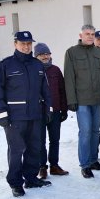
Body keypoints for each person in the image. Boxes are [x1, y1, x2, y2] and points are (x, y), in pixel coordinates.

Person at [0, 31, 52, 197]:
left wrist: (48, 109)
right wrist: (2, 114)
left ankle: (30, 178)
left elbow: (45, 90)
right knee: (16, 150)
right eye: (23, 43)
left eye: (29, 43)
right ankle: (15, 183)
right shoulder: (5, 65)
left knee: (34, 148)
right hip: (15, 117)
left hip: (35, 115)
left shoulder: (37, 65)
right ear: (15, 44)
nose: (26, 46)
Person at [64, 24, 100, 179]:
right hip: (82, 100)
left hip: (98, 99)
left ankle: (93, 160)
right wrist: (71, 100)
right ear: (81, 35)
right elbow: (69, 78)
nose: (90, 36)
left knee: (96, 132)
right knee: (85, 132)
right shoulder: (72, 52)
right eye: (87, 34)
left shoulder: (99, 52)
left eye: (92, 34)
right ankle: (85, 165)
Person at [34, 43, 69, 179]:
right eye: (42, 54)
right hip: (39, 112)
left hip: (55, 111)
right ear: (36, 56)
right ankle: (42, 167)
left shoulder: (55, 70)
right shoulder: (32, 70)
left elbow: (62, 90)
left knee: (55, 139)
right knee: (40, 140)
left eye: (47, 54)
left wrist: (64, 109)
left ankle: (54, 165)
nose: (45, 56)